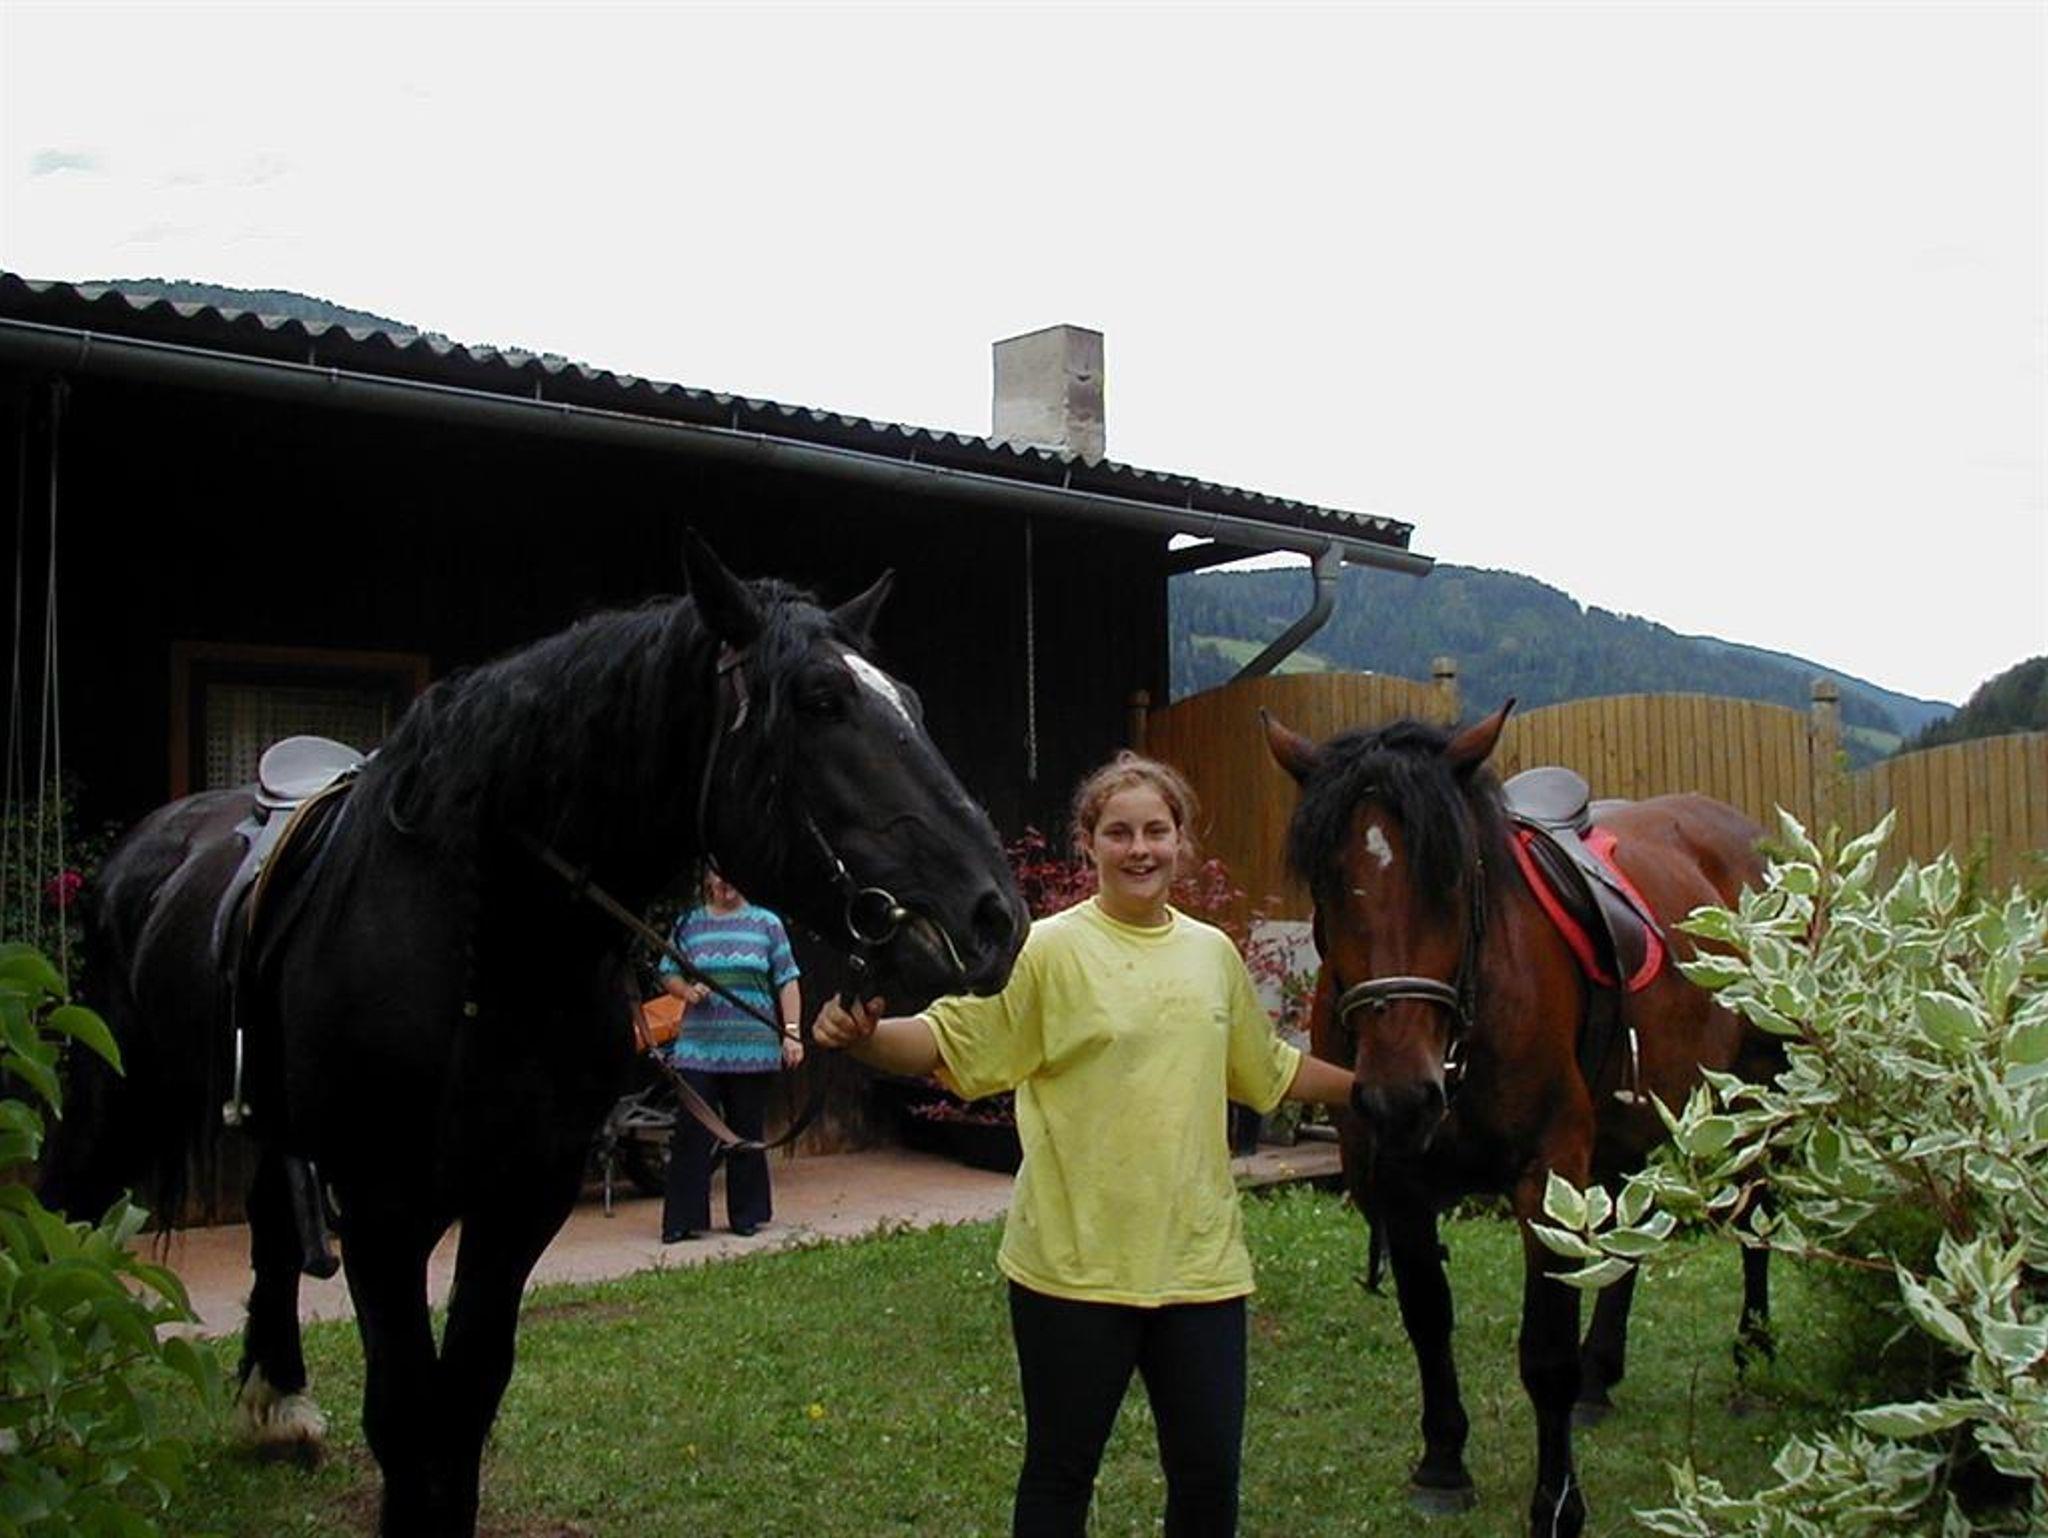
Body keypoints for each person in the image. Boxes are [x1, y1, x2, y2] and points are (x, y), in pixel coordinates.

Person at [813, 752, 1355, 1537]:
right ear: (1088, 843)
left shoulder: (1211, 954)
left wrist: (1367, 1088)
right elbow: (949, 1039)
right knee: (1061, 1474)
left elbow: (1265, 1067)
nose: (1140, 849)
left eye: (1156, 831)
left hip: (1199, 1270)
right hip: (1072, 1270)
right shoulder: (1047, 950)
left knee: (1208, 1478)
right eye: (1119, 833)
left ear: (1181, 841)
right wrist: (864, 1039)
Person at [657, 871, 804, 1241]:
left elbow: (787, 979)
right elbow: (667, 972)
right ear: (709, 879)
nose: (725, 883)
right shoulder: (688, 924)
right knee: (691, 1132)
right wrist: (686, 992)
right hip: (698, 1047)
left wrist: (792, 1033)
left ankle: (747, 1214)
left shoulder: (767, 924)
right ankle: (682, 1220)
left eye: (731, 876)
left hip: (752, 1048)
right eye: (718, 876)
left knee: (745, 1130)